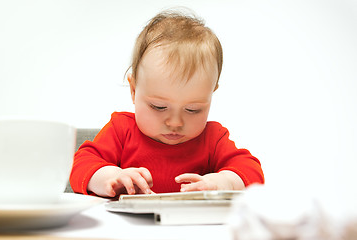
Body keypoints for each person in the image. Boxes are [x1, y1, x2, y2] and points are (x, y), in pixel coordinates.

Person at [70, 9, 264, 197]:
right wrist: (111, 177)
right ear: (134, 90)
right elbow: (81, 164)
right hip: (129, 227)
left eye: (193, 109)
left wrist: (224, 182)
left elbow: (252, 172)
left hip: (193, 228)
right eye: (159, 107)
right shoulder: (121, 130)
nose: (175, 122)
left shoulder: (212, 139)